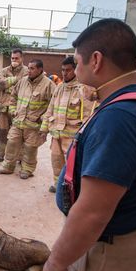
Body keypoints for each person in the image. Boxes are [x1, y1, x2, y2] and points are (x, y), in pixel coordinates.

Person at [43, 19, 136, 271]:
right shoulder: (135, 100)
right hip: (119, 244)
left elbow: (93, 213)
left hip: (110, 260)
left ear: (96, 60)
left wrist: (56, 262)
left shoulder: (120, 117)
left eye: (77, 63)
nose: (75, 71)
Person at [40, 56, 96, 193]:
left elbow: (89, 115)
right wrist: (44, 129)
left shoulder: (83, 89)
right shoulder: (59, 88)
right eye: (63, 70)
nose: (64, 73)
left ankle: (73, 189)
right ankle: (58, 184)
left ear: (75, 70)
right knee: (56, 161)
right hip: (56, 135)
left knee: (74, 165)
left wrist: (83, 137)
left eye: (68, 70)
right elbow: (50, 109)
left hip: (72, 137)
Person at [0, 59, 55, 179]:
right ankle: (7, 166)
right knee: (12, 142)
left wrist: (43, 118)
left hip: (34, 125)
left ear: (40, 70)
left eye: (32, 68)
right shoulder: (22, 81)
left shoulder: (49, 85)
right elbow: (14, 96)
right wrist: (12, 110)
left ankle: (27, 169)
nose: (29, 70)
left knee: (30, 148)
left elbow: (54, 104)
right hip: (18, 121)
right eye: (29, 68)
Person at [0, 48, 29, 162]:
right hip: (4, 108)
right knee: (3, 132)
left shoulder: (27, 71)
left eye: (16, 58)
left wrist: (8, 82)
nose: (14, 60)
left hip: (19, 110)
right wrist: (16, 80)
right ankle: (1, 155)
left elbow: (25, 86)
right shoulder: (4, 70)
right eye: (12, 58)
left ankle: (20, 158)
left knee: (19, 134)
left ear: (21, 58)